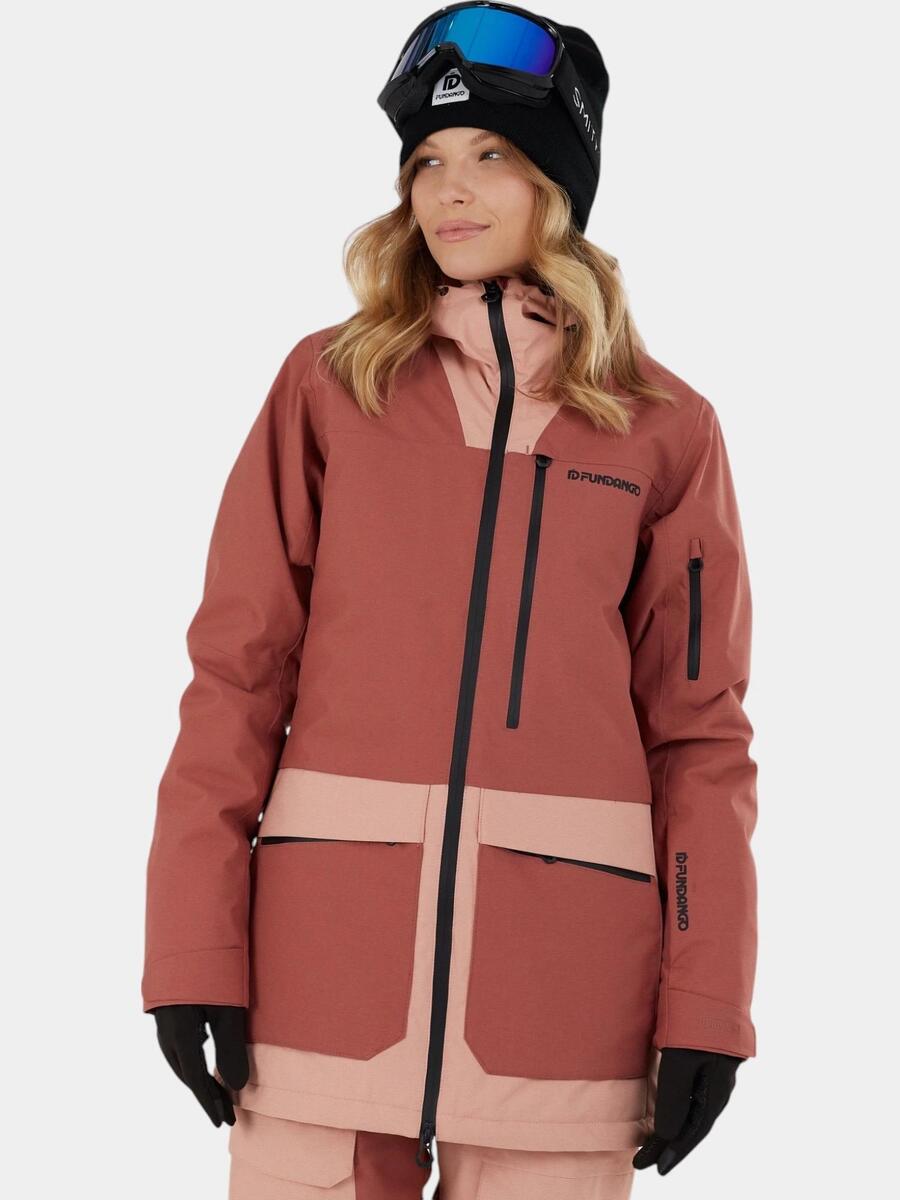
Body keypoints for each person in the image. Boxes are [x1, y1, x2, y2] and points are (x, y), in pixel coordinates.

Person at [141, 5, 758, 1197]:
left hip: (565, 1001)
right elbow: (234, 678)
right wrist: (191, 945)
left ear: (559, 189)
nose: (450, 190)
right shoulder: (328, 388)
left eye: (490, 156)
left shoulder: (666, 429)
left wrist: (709, 999)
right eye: (425, 161)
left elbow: (701, 737)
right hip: (321, 982)